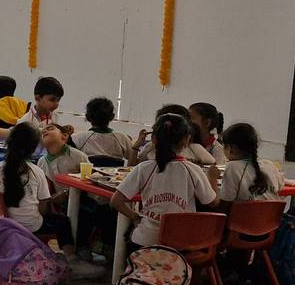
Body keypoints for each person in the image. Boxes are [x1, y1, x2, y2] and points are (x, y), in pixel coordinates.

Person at [110, 112, 218, 248]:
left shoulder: (144, 168)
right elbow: (212, 202)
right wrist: (212, 179)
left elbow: (116, 201)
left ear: (153, 139)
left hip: (146, 242)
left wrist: (136, 217)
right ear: (187, 139)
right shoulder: (193, 170)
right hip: (182, 243)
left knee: (129, 236)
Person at [0, 123, 72, 247]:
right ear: (34, 148)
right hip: (32, 226)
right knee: (63, 221)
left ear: (9, 143)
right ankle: (71, 257)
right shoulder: (37, 171)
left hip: (3, 226)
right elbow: (42, 208)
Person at [218, 123, 283, 203]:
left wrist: (212, 180)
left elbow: (224, 204)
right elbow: (280, 187)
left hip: (243, 215)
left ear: (231, 148)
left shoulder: (232, 167)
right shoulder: (269, 165)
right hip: (271, 215)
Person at [73, 98, 133, 163]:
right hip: (113, 173)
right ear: (112, 117)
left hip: (87, 173)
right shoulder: (122, 139)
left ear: (87, 117)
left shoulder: (77, 138)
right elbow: (134, 160)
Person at [186, 101, 227, 167]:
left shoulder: (218, 149)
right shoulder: (185, 144)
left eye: (190, 118)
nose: (186, 122)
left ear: (207, 123)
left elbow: (218, 173)